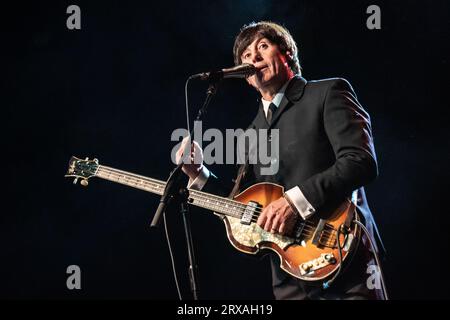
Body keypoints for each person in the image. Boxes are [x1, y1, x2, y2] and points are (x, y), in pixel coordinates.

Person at [176, 21, 386, 300]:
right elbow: (244, 205)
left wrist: (294, 202)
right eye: (246, 56)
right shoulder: (252, 132)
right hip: (289, 277)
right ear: (245, 76)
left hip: (344, 256)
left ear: (287, 52)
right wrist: (199, 175)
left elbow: (360, 161)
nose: (254, 58)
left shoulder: (327, 92)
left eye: (262, 46)